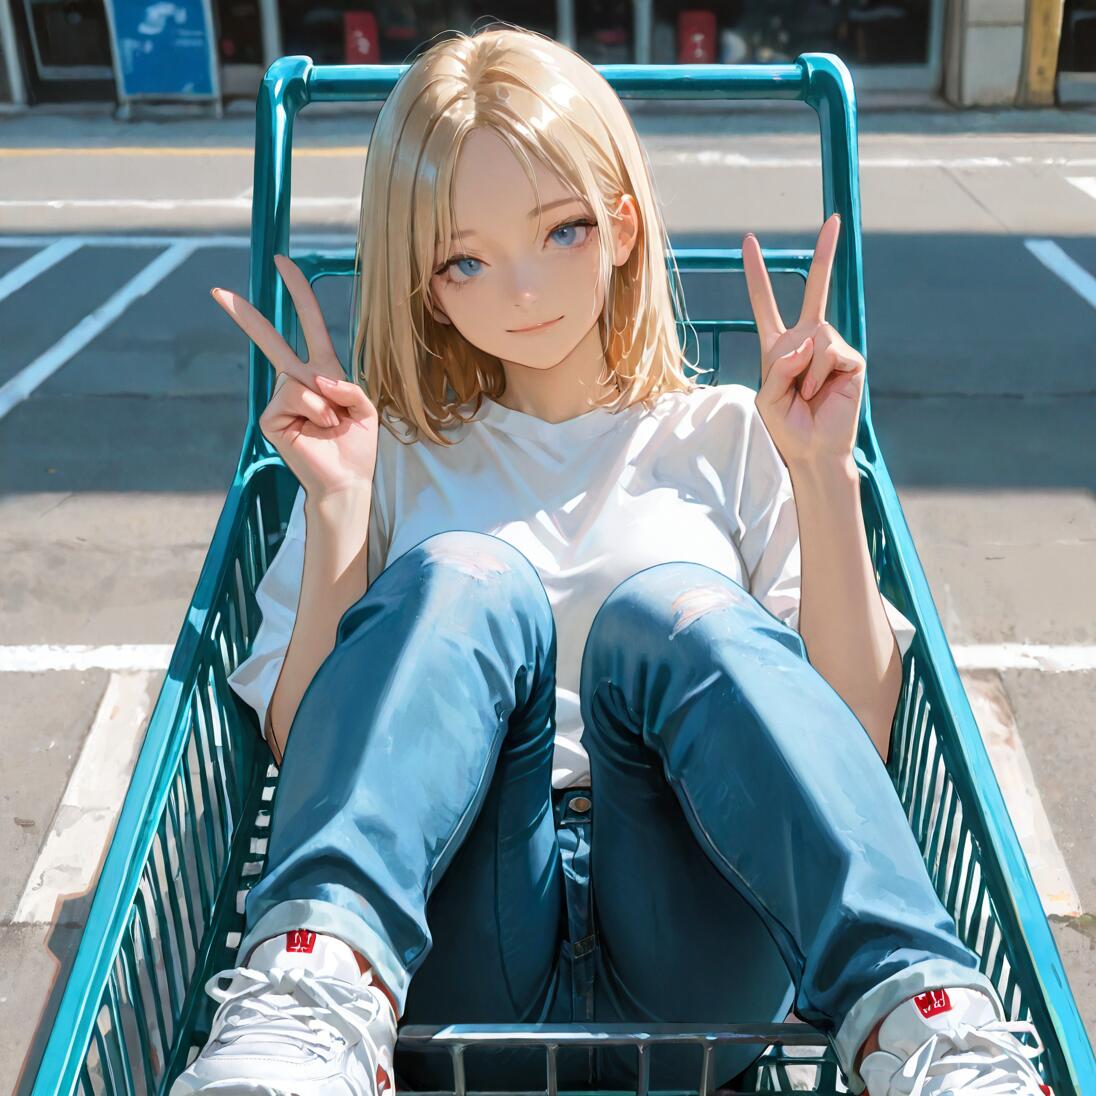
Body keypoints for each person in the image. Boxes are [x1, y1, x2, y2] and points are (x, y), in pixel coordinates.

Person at [170, 23, 1051, 1096]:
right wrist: (342, 506)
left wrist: (821, 473)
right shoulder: (386, 456)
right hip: (455, 936)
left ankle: (924, 1025)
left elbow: (853, 729)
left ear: (624, 226)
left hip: (702, 929)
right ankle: (314, 991)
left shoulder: (730, 434)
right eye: (465, 259)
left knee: (670, 611)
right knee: (465, 579)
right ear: (427, 284)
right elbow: (306, 749)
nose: (523, 288)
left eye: (562, 231)